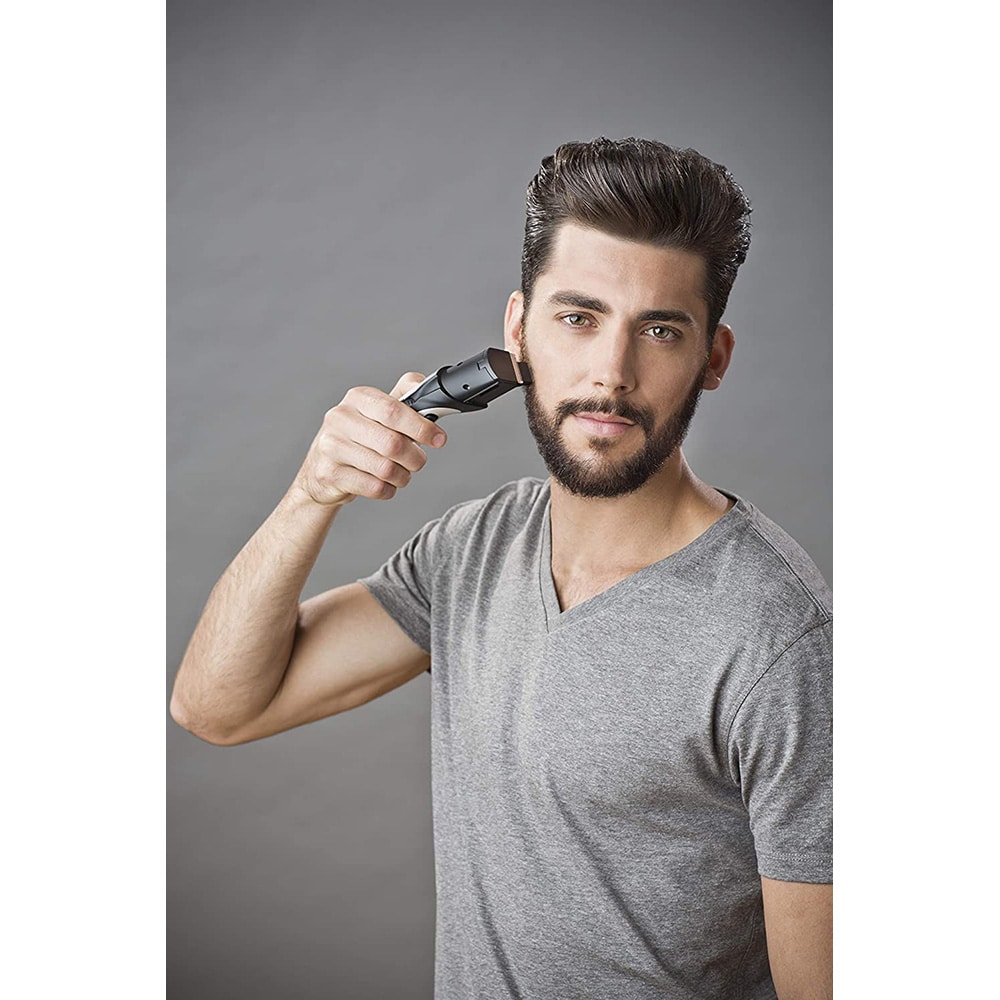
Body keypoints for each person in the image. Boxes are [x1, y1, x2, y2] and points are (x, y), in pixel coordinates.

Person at [171, 137, 832, 1000]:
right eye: (579, 318)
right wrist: (310, 495)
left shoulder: (780, 642)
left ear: (713, 357)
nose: (611, 374)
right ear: (518, 331)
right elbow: (217, 707)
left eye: (660, 330)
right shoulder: (474, 549)